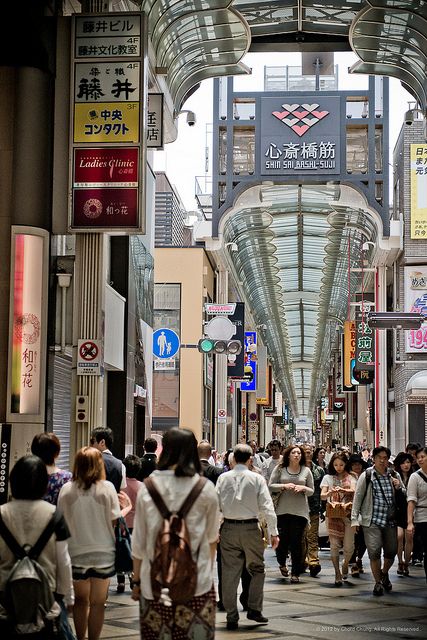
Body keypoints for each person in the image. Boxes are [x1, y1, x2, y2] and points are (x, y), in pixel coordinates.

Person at [131, 428, 219, 640]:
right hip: (197, 585)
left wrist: (136, 583)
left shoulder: (148, 487)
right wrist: (205, 573)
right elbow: (211, 540)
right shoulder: (205, 489)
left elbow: (139, 543)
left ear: (165, 450)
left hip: (154, 585)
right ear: (192, 452)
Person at [57, 446, 131, 640]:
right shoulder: (107, 489)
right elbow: (114, 521)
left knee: (81, 601)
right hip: (103, 553)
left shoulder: (66, 490)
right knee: (98, 603)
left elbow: (60, 523)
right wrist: (128, 508)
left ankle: (80, 638)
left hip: (75, 552)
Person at [0, 455, 74, 638]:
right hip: (46, 601)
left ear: (13, 481)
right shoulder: (54, 515)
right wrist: (67, 596)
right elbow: (63, 560)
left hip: (4, 602)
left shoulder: (2, 514)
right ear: (44, 483)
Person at [217, 444, 279, 631]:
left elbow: (215, 506)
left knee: (229, 573)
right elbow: (267, 507)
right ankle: (254, 608)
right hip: (251, 528)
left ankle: (231, 616)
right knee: (257, 569)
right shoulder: (257, 478)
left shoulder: (223, 478)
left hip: (228, 528)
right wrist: (273, 533)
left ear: (233, 458)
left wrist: (214, 532)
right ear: (250, 459)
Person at [351, 446, 404, 596]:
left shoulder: (394, 475)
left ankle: (384, 573)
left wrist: (398, 486)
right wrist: (354, 519)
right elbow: (358, 498)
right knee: (374, 551)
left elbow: (404, 493)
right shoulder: (367, 475)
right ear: (373, 458)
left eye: (385, 458)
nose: (382, 460)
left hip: (390, 520)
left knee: (391, 551)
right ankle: (378, 583)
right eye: (379, 457)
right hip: (372, 520)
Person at [269, 445, 314, 583]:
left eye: (299, 453)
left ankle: (295, 572)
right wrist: (284, 486)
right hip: (282, 511)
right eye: (294, 452)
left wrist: (303, 488)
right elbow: (270, 485)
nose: (296, 455)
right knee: (282, 542)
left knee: (296, 542)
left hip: (300, 512)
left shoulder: (306, 471)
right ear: (288, 455)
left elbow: (311, 490)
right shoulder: (280, 469)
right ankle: (282, 562)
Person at [320, 451, 356, 585]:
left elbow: (354, 490)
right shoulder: (328, 478)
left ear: (346, 464)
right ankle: (337, 572)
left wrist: (345, 491)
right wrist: (330, 492)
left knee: (349, 546)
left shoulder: (352, 477)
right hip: (334, 514)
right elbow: (322, 496)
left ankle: (345, 563)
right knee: (334, 545)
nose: (338, 467)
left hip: (348, 514)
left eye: (341, 464)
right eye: (335, 465)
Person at [302, 444, 325, 577]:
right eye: (305, 452)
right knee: (301, 537)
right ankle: (303, 560)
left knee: (312, 536)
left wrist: (322, 508)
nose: (307, 454)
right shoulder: (297, 470)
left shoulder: (319, 471)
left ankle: (314, 562)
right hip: (299, 508)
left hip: (314, 507)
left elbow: (322, 490)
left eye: (310, 452)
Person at [31, 432, 72, 505]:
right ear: (57, 453)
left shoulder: (26, 476)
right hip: (58, 516)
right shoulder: (66, 478)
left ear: (33, 452)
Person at [407, 446, 427, 584]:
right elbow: (411, 500)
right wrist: (410, 522)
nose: (420, 460)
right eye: (418, 457)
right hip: (422, 518)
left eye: (423, 457)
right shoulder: (415, 477)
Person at [393, 452, 414, 576]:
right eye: (403, 463)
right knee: (399, 537)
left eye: (408, 462)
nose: (406, 465)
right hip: (399, 510)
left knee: (409, 537)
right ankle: (400, 562)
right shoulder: (395, 476)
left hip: (411, 510)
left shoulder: (415, 476)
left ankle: (406, 562)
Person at [347, 453, 368, 577]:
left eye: (359, 464)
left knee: (364, 538)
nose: (357, 466)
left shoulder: (367, 476)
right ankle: (354, 561)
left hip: (365, 510)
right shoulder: (348, 477)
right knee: (353, 538)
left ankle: (359, 558)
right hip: (350, 510)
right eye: (354, 464)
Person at [90, 427, 126, 492]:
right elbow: (121, 491)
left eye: (92, 441)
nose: (90, 445)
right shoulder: (120, 465)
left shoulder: (90, 460)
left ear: (102, 442)